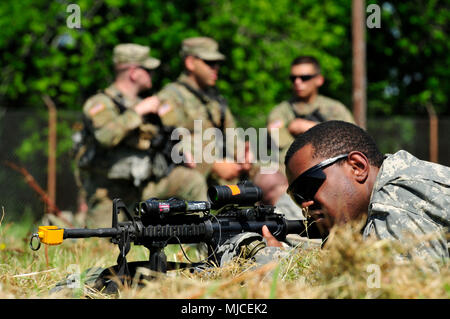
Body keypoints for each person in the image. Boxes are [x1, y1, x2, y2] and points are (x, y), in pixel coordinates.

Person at [261, 120, 450, 265]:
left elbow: (394, 290)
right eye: (297, 196)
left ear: (357, 166)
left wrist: (282, 267)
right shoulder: (389, 184)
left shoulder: (398, 197)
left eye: (308, 187)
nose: (305, 204)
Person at [75, 43, 208, 228]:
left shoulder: (149, 104)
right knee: (101, 241)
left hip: (147, 186)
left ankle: (202, 242)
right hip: (111, 193)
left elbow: (172, 133)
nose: (151, 75)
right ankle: (63, 222)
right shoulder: (100, 103)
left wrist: (181, 151)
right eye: (148, 70)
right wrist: (137, 113)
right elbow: (105, 136)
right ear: (133, 72)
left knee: (192, 181)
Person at [157, 37, 256, 187]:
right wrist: (214, 166)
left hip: (224, 179)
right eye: (209, 63)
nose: (215, 68)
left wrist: (244, 155)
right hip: (191, 184)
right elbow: (169, 147)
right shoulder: (170, 98)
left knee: (272, 176)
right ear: (190, 62)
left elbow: (232, 137)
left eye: (217, 63)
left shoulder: (215, 101)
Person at [267, 56, 355, 170]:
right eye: (293, 78)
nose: (297, 82)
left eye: (305, 77)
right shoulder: (282, 110)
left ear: (319, 80)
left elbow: (353, 139)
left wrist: (310, 128)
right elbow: (277, 137)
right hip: (288, 172)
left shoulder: (335, 108)